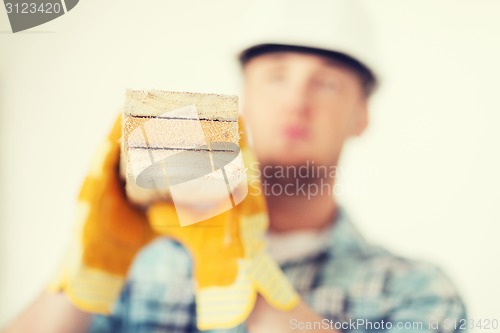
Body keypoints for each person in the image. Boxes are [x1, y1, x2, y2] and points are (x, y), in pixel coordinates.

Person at [3, 1, 466, 332]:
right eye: (276, 76)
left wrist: (240, 270)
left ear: (360, 115)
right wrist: (82, 272)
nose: (296, 100)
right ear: (243, 99)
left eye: (325, 83)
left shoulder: (415, 291)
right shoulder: (141, 265)